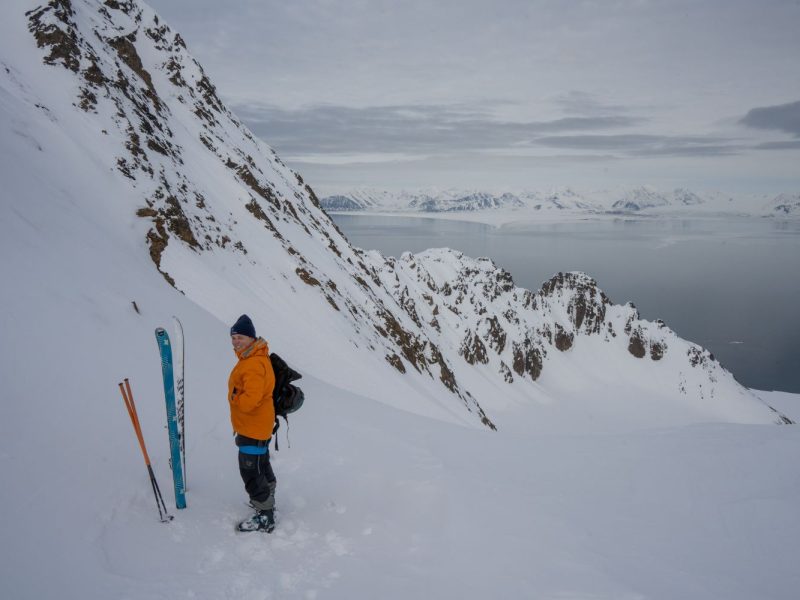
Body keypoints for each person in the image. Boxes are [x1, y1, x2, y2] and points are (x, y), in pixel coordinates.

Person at [228, 314, 277, 532]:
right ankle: (267, 500)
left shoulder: (253, 364)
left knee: (250, 471)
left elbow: (250, 401)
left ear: (251, 338)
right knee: (261, 464)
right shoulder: (255, 358)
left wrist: (234, 397)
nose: (236, 341)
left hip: (253, 426)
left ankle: (265, 515)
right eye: (233, 338)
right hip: (259, 425)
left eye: (240, 337)